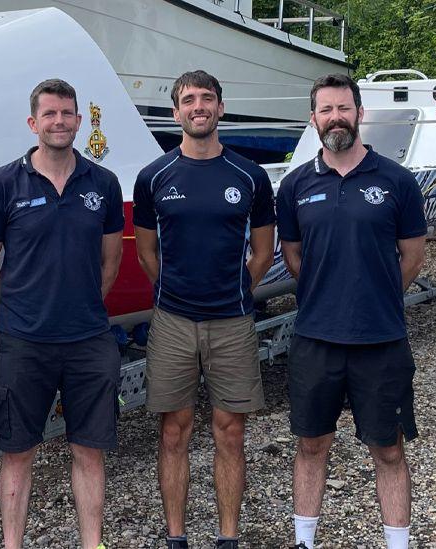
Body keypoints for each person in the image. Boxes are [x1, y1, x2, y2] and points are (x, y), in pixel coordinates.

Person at [0, 78, 124, 549]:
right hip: (24, 342)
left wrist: (78, 308)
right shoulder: (3, 183)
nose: (60, 122)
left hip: (88, 339)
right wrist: (15, 316)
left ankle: (91, 543)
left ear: (79, 120)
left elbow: (110, 262)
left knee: (90, 450)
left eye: (67, 113)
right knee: (17, 452)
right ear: (34, 122)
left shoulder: (103, 183)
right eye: (50, 114)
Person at [275, 74, 427, 549]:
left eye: (343, 108)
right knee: (311, 445)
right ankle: (305, 541)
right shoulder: (295, 185)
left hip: (380, 338)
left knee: (387, 449)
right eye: (325, 110)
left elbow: (413, 256)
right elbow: (295, 257)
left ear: (359, 113)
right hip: (316, 338)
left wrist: (374, 295)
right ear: (314, 119)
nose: (335, 117)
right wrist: (331, 292)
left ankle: (397, 544)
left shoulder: (397, 181)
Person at [133, 70, 276, 549]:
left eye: (207, 98)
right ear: (176, 112)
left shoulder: (249, 176)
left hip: (232, 322)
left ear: (220, 107)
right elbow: (147, 253)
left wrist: (234, 290)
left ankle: (227, 537)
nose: (199, 106)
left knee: (230, 431)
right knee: (173, 431)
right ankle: (176, 536)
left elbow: (262, 252)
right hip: (173, 321)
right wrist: (174, 291)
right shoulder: (154, 176)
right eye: (188, 99)